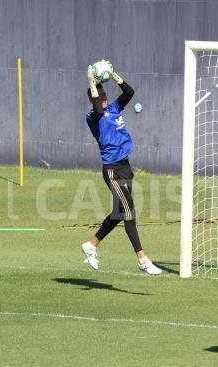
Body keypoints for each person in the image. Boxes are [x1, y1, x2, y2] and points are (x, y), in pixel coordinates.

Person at [80, 61, 162, 275]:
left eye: (105, 96)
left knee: (118, 213)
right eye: (100, 97)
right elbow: (98, 107)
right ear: (92, 98)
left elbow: (130, 92)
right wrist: (92, 81)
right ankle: (142, 259)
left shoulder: (114, 107)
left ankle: (91, 245)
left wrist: (113, 75)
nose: (104, 100)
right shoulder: (92, 117)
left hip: (125, 167)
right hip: (112, 170)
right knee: (128, 213)